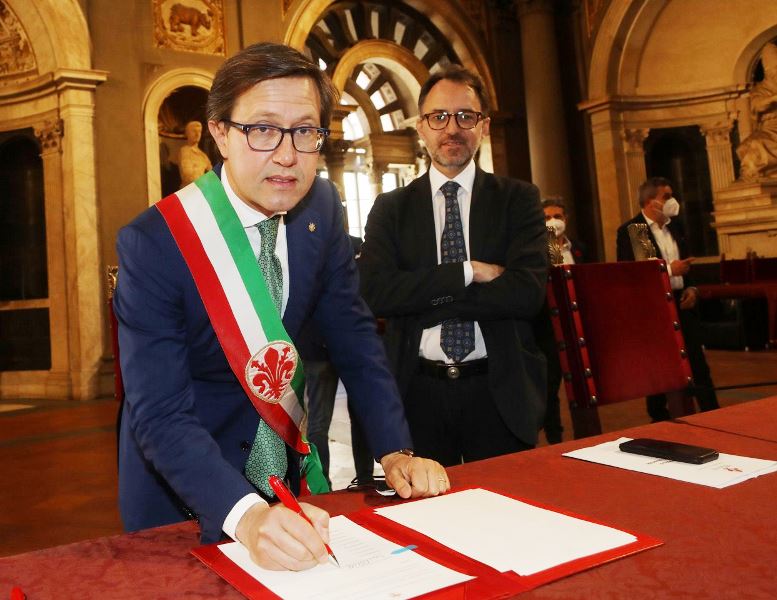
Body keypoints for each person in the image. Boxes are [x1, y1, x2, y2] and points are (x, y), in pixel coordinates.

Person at [114, 42, 449, 572]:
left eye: (305, 131)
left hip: (285, 481)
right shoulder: (155, 243)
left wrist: (394, 450)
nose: (288, 155)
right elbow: (159, 414)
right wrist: (246, 517)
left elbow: (355, 336)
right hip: (187, 492)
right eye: (263, 129)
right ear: (220, 133)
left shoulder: (322, 206)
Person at [358, 65, 548, 467]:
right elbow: (375, 293)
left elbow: (526, 293)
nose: (452, 129)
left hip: (498, 393)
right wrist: (467, 272)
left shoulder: (518, 200)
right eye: (438, 117)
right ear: (421, 127)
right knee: (424, 506)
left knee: (506, 503)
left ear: (484, 126)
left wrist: (424, 299)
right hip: (416, 394)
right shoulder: (391, 209)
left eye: (465, 116)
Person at [616, 176, 719, 421]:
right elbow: (640, 271)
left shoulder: (675, 226)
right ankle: (659, 417)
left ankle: (712, 412)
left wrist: (692, 288)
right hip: (655, 307)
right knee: (659, 364)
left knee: (696, 361)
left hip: (682, 301)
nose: (673, 201)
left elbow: (687, 265)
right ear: (650, 201)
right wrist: (671, 270)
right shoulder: (637, 229)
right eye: (667, 196)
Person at [299, 235, 376, 487]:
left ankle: (335, 482)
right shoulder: (350, 248)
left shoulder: (309, 251)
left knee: (329, 422)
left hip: (333, 349)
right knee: (323, 424)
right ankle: (350, 479)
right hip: (324, 352)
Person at [533, 197, 588, 444]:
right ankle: (555, 437)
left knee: (582, 383)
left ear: (566, 219)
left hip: (576, 326)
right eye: (547, 217)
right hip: (547, 327)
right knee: (550, 385)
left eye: (557, 216)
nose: (553, 221)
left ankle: (586, 432)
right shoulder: (535, 250)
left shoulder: (578, 248)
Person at [737, 42, 777, 182]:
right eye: (776, 68)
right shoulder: (760, 89)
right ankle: (751, 172)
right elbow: (758, 105)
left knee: (758, 145)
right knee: (747, 146)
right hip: (768, 129)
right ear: (768, 71)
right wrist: (773, 98)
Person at [178, 120, 212, 186]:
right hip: (189, 189)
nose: (197, 134)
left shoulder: (203, 156)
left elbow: (212, 174)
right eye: (194, 131)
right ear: (187, 133)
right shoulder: (184, 151)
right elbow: (187, 176)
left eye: (199, 131)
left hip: (201, 188)